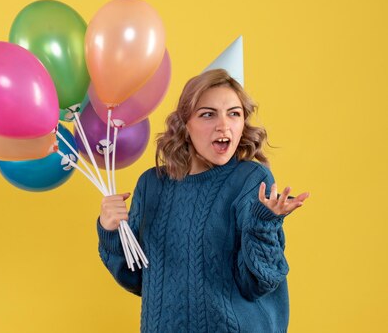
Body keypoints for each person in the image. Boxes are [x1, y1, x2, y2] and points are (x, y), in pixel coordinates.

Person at [97, 69, 310, 333]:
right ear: (185, 124)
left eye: (234, 113)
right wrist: (110, 230)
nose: (224, 125)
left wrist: (263, 226)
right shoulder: (151, 185)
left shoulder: (251, 180)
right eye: (208, 114)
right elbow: (139, 279)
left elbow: (256, 284)